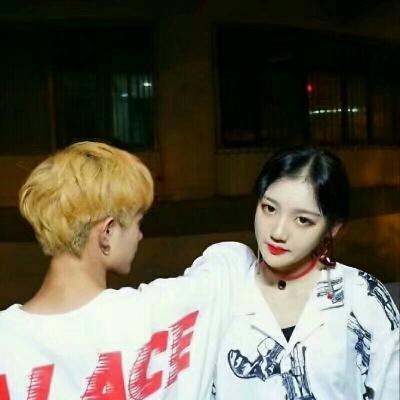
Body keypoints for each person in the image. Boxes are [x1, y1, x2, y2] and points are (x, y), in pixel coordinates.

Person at [0, 141, 254, 399]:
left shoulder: (6, 340)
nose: (140, 235)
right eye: (137, 223)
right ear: (107, 232)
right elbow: (232, 261)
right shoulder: (151, 315)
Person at [211, 147, 399, 400]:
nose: (277, 232)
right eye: (269, 208)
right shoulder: (225, 290)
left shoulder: (363, 297)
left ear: (332, 228)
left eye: (302, 220)